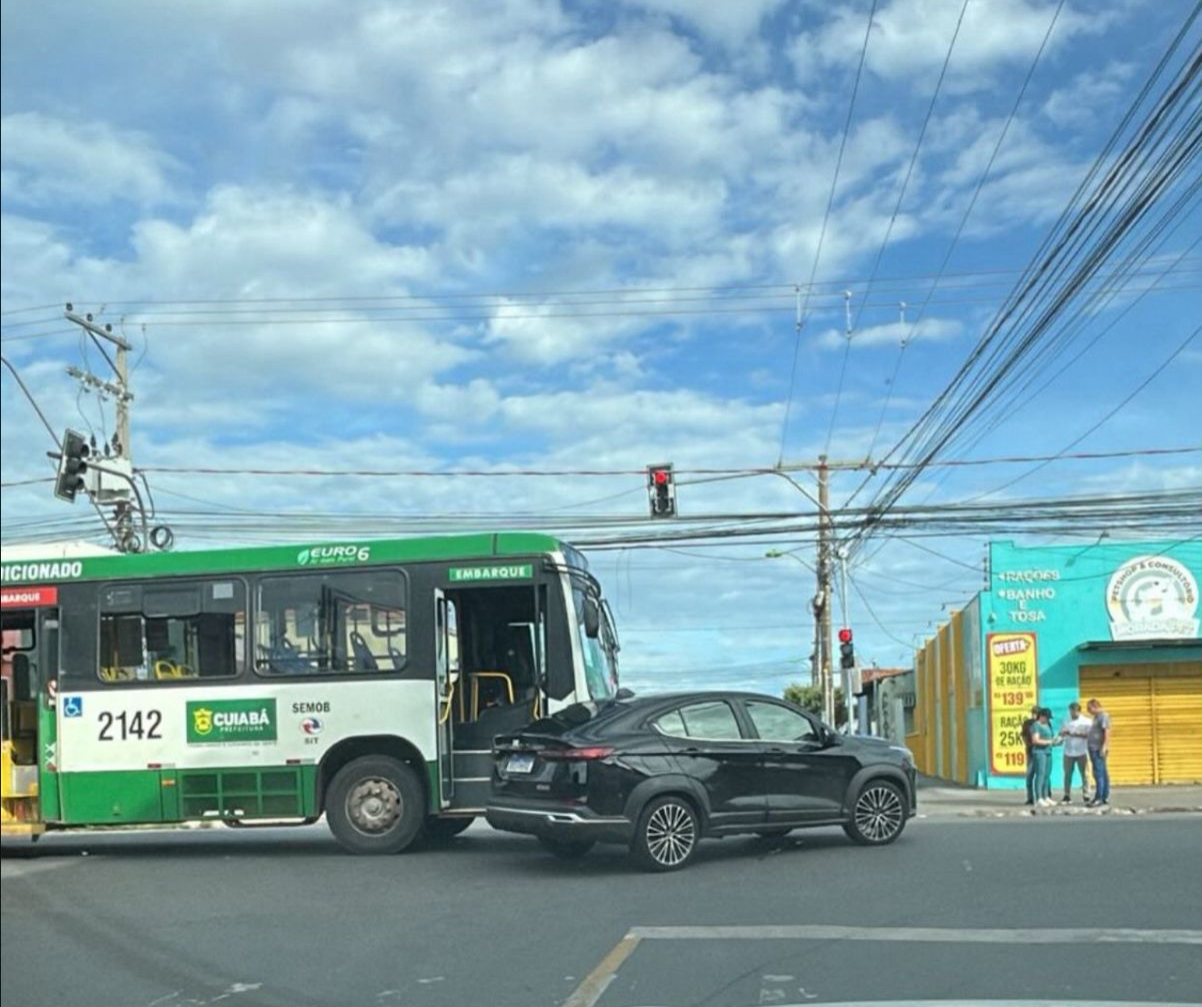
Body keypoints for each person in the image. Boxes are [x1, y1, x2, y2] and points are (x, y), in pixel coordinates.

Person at [1059, 702, 1093, 803]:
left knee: (1085, 774)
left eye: (1074, 711)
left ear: (1079, 711)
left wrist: (1076, 734)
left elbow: (1090, 735)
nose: (1072, 713)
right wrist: (1063, 734)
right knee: (1067, 774)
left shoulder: (1086, 721)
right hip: (1068, 751)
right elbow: (1062, 733)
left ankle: (1086, 794)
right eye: (1071, 711)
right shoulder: (1066, 720)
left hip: (1082, 751)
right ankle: (1067, 795)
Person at [1029, 708, 1059, 807]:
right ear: (1041, 716)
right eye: (1046, 717)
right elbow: (1035, 740)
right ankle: (1039, 798)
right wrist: (1048, 742)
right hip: (1039, 752)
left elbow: (1051, 737)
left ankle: (1046, 796)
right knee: (1040, 774)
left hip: (1048, 751)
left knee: (1047, 775)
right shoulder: (1036, 725)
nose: (1048, 720)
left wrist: (1056, 741)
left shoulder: (1048, 725)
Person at [1086, 698, 1112, 807]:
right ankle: (1104, 796)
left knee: (1099, 773)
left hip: (1098, 748)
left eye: (1089, 708)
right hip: (1094, 748)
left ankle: (1099, 797)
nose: (1088, 711)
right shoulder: (1096, 717)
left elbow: (1107, 732)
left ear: (1095, 706)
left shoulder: (1103, 716)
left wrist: (1104, 746)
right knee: (1102, 772)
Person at [1020, 704, 1040, 806]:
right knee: (1029, 776)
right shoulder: (1027, 723)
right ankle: (1030, 798)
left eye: (1036, 713)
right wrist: (1027, 744)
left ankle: (1043, 796)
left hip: (1041, 753)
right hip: (1030, 752)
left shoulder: (1043, 723)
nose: (1034, 715)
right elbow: (1023, 735)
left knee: (1042, 776)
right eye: (1033, 713)